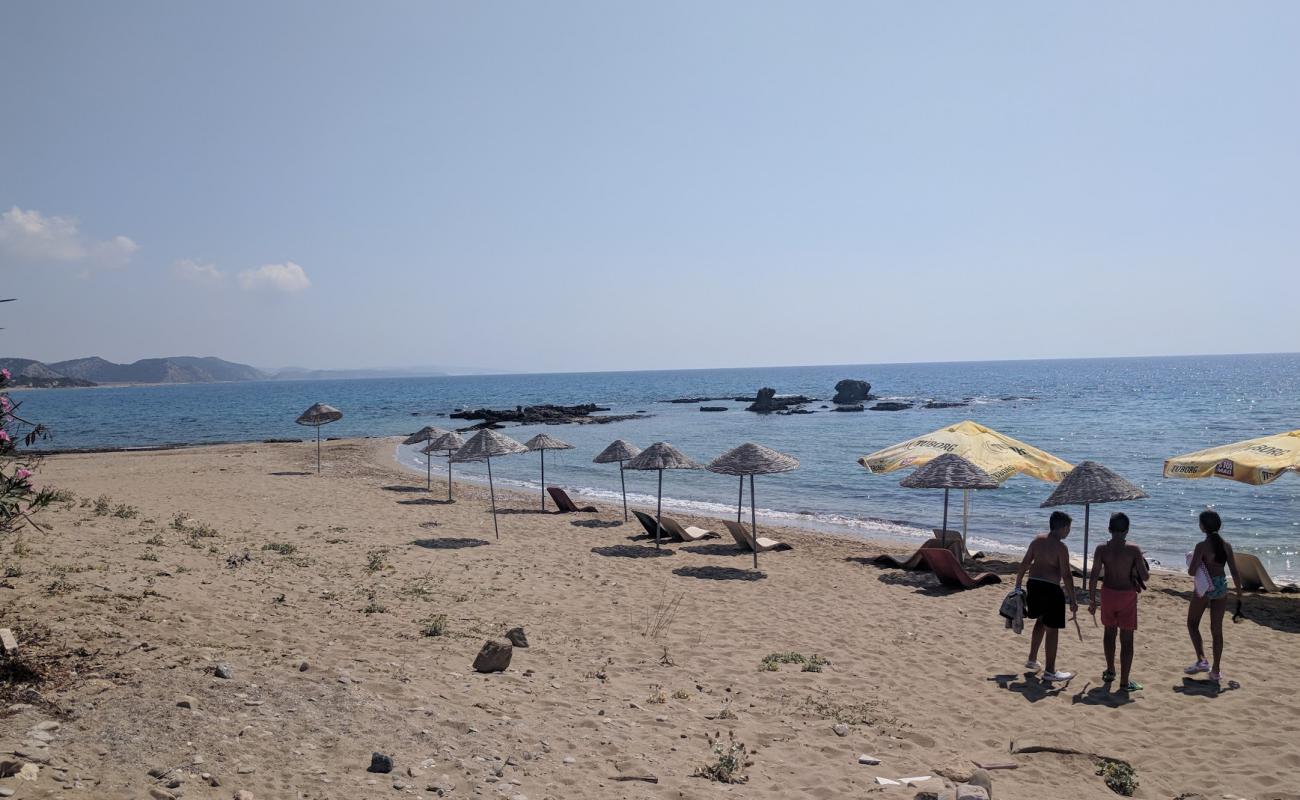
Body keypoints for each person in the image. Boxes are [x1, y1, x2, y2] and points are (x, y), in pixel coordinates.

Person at [1087, 512, 1149, 693]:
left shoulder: (1101, 549)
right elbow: (1145, 576)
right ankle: (1124, 681)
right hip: (1127, 596)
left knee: (1109, 633)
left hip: (1108, 594)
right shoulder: (1133, 549)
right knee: (1127, 640)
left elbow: (1093, 577)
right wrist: (1141, 564)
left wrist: (1092, 600)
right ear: (1127, 530)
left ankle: (1110, 670)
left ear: (1109, 529)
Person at [1015, 510, 1077, 682]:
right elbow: (1066, 575)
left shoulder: (1037, 540)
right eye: (1069, 528)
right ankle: (1050, 670)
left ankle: (1032, 659)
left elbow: (1025, 563)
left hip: (1033, 584)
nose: (1069, 532)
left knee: (1041, 621)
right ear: (1064, 528)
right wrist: (1073, 598)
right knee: (1052, 629)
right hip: (1050, 589)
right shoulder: (1061, 547)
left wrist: (1018, 584)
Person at [1185, 510, 1241, 684]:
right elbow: (1234, 571)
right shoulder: (1227, 545)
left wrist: (1193, 560)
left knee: (1192, 623)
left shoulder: (1201, 546)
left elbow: (1192, 571)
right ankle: (1216, 670)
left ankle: (1202, 660)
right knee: (1217, 630)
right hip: (1221, 587)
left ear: (1203, 527)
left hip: (1205, 587)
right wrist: (1239, 593)